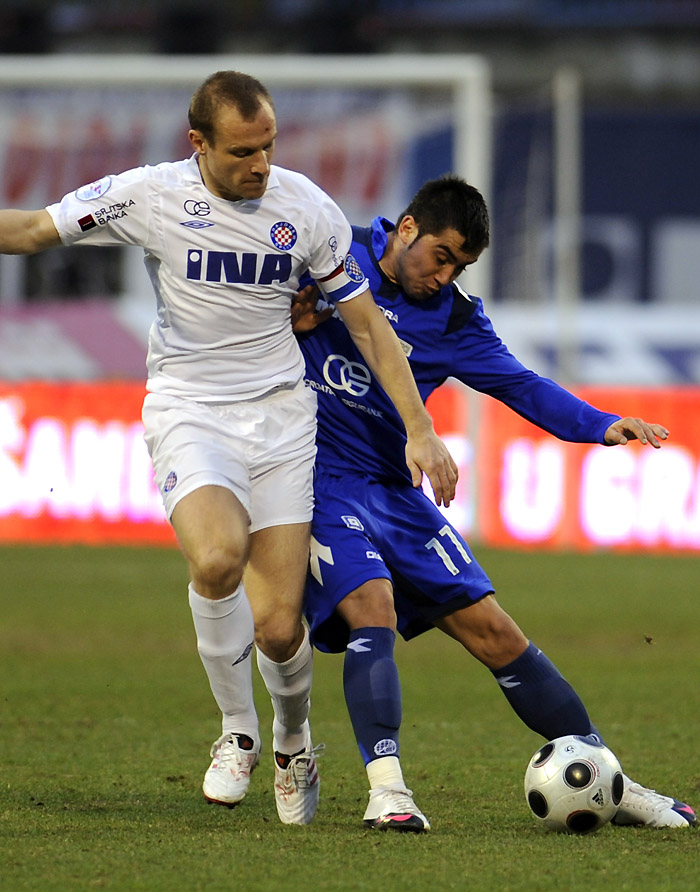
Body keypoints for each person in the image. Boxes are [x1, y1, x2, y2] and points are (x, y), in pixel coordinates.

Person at [0, 72, 458, 825]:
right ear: (199, 146)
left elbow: (371, 326)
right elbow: (30, 232)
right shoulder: (147, 194)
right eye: (244, 151)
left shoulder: (306, 208)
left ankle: (292, 739)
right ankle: (237, 732)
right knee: (215, 560)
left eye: (269, 147)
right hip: (189, 410)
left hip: (280, 418)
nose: (261, 165)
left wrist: (420, 426)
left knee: (281, 626)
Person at [294, 175, 697, 832]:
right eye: (441, 256)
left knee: (497, 632)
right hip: (316, 482)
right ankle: (388, 791)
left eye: (461, 266)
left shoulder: (452, 319)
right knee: (371, 605)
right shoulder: (336, 255)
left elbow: (522, 386)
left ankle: (609, 780)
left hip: (395, 495)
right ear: (406, 229)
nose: (444, 276)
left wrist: (600, 424)